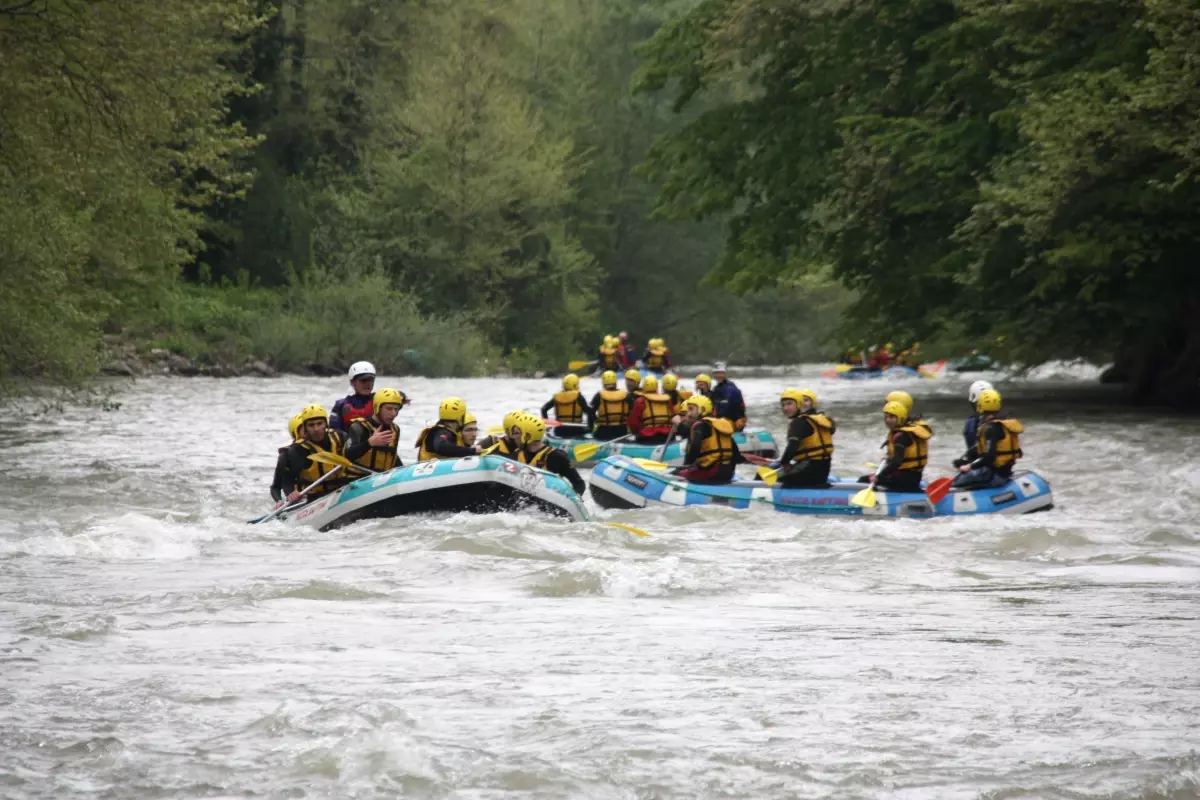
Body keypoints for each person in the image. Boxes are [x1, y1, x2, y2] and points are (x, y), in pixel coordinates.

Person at [278, 404, 350, 502]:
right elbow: (287, 480)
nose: (316, 429)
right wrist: (291, 493)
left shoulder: (340, 437)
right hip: (315, 497)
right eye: (311, 425)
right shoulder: (298, 449)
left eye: (319, 423)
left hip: (343, 488)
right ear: (305, 428)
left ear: (326, 424)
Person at [953, 389, 1023, 489]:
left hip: (995, 475)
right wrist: (965, 459)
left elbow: (989, 457)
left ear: (980, 406)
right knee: (963, 476)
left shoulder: (990, 428)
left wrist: (969, 466)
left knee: (957, 483)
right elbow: (981, 448)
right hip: (1005, 471)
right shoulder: (1003, 424)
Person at [858, 400, 932, 492]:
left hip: (903, 479)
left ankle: (879, 501)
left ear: (900, 418)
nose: (888, 420)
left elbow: (897, 461)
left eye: (892, 417)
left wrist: (880, 476)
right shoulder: (911, 429)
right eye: (886, 417)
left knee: (863, 480)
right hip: (914, 477)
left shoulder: (901, 436)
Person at [674, 395, 748, 484]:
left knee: (677, 473)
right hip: (728, 472)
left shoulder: (699, 425)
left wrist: (687, 466)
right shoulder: (721, 424)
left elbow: (695, 448)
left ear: (703, 409)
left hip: (711, 472)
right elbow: (736, 455)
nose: (688, 413)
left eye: (691, 409)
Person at [771, 389, 835, 488]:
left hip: (808, 471)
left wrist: (784, 463)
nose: (786, 408)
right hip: (824, 471)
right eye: (783, 405)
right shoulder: (822, 420)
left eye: (789, 404)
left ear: (799, 405)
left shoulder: (799, 422)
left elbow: (792, 446)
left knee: (768, 475)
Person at [511, 416, 587, 495]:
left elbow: (579, 484)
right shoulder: (516, 454)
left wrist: (574, 498)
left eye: (516, 433)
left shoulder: (556, 457)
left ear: (527, 436)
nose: (513, 437)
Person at [345, 388, 405, 473]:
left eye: (396, 409)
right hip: (358, 480)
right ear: (377, 407)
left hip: (381, 478)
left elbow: (393, 457)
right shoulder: (358, 427)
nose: (393, 414)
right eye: (389, 409)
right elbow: (347, 456)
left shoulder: (395, 429)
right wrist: (369, 443)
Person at [414, 397, 482, 460]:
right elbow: (441, 447)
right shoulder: (439, 432)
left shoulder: (451, 433)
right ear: (460, 417)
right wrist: (472, 451)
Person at [331, 361, 385, 431]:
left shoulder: (381, 400)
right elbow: (334, 432)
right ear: (352, 382)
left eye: (370, 380)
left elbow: (398, 397)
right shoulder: (340, 405)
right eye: (363, 381)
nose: (368, 384)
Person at [626, 375, 675, 443]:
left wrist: (636, 432)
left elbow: (634, 423)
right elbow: (673, 417)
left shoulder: (640, 401)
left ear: (644, 387)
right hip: (667, 435)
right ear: (657, 386)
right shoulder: (667, 400)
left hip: (648, 436)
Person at [270, 413, 304, 502]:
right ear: (296, 433)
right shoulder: (286, 456)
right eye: (305, 431)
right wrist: (279, 501)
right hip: (299, 500)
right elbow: (275, 487)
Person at [589, 371, 629, 441]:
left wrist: (592, 427)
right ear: (615, 382)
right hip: (622, 430)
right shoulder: (625, 395)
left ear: (603, 382)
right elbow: (632, 412)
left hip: (604, 430)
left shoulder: (599, 395)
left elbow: (590, 413)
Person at [959, 380, 994, 459]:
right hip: (1004, 466)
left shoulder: (971, 423)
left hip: (981, 465)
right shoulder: (1004, 421)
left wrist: (968, 464)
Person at [710, 362, 747, 431]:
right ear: (714, 375)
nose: (718, 375)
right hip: (721, 421)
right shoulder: (715, 389)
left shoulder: (731, 388)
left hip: (734, 421)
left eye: (721, 373)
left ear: (724, 374)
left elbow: (739, 408)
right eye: (716, 373)